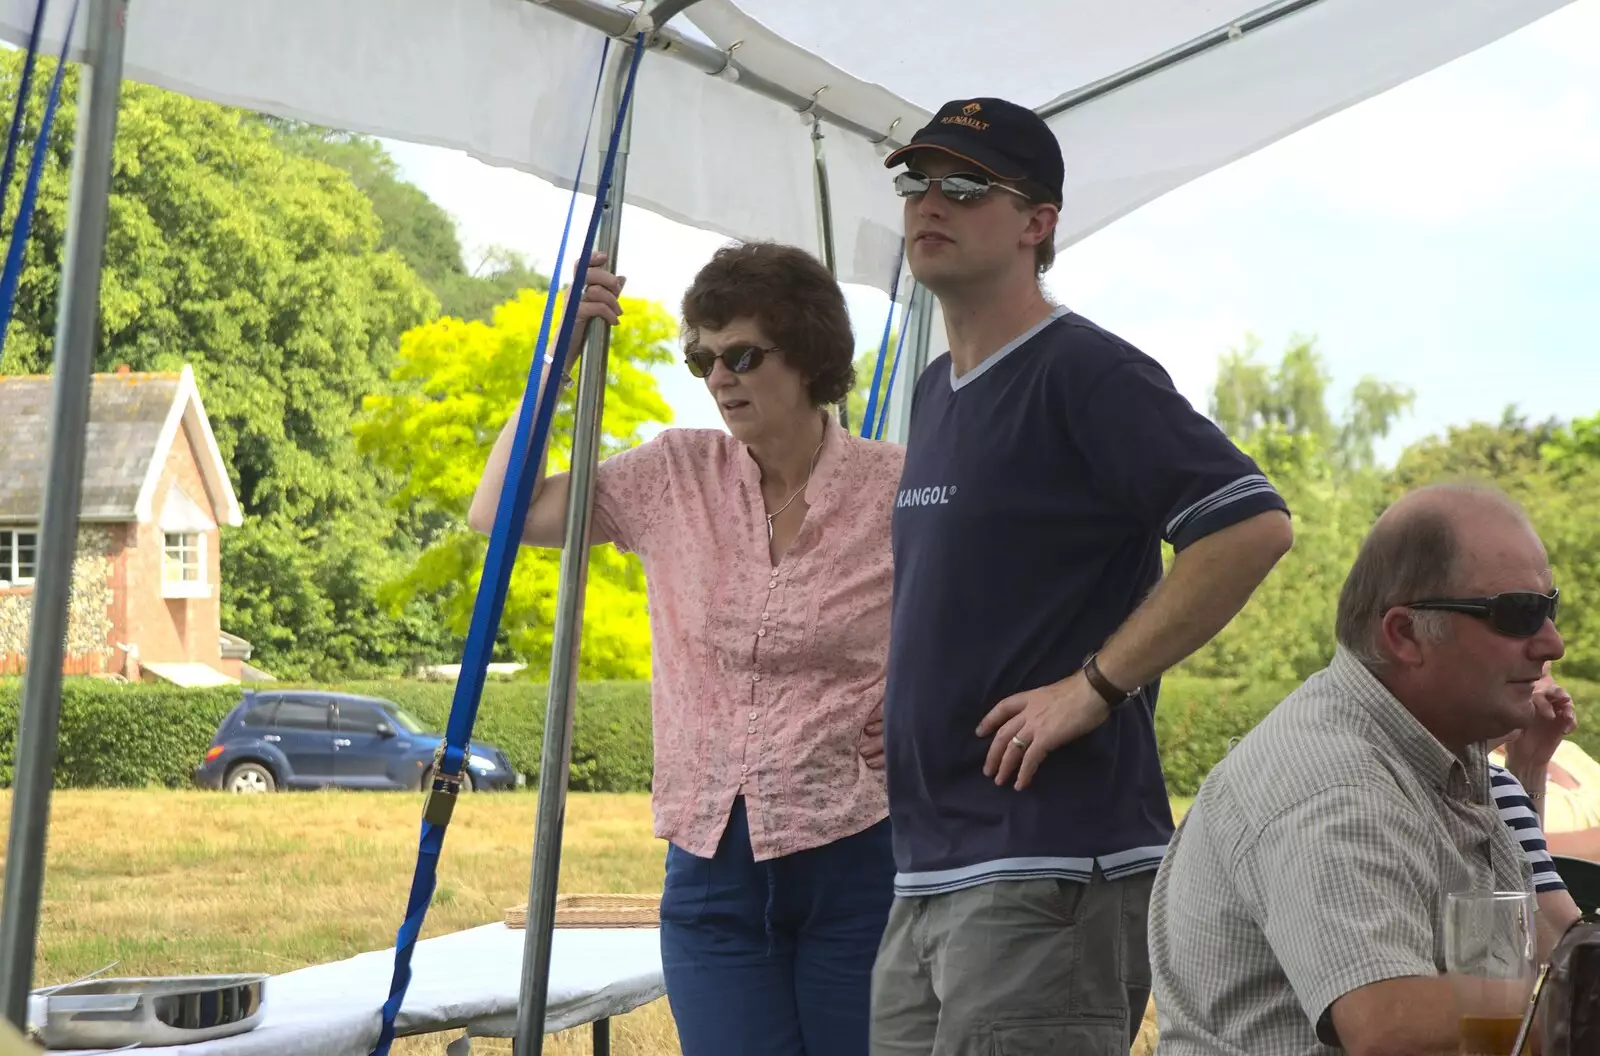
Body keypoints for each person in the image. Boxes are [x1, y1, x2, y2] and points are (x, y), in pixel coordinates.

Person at [871, 97, 1295, 1054]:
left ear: (1038, 223)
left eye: (967, 184)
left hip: (1049, 868)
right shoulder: (934, 391)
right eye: (915, 180)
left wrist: (1096, 687)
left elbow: (1251, 527)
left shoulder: (1087, 372)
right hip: (927, 871)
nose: (930, 201)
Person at [469, 242, 903, 1056]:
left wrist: (927, 706)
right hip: (713, 875)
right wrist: (557, 363)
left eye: (742, 354)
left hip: (856, 861)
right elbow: (499, 512)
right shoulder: (676, 475)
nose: (719, 378)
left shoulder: (897, 489)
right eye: (702, 358)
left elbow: (982, 620)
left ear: (808, 355)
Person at [1148, 482, 1566, 1055]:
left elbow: (1528, 960)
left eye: (1550, 607)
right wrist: (1580, 1003)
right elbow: (1390, 1027)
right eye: (1519, 614)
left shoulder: (1440, 755)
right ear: (1405, 633)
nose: (1553, 643)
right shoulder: (1332, 778)